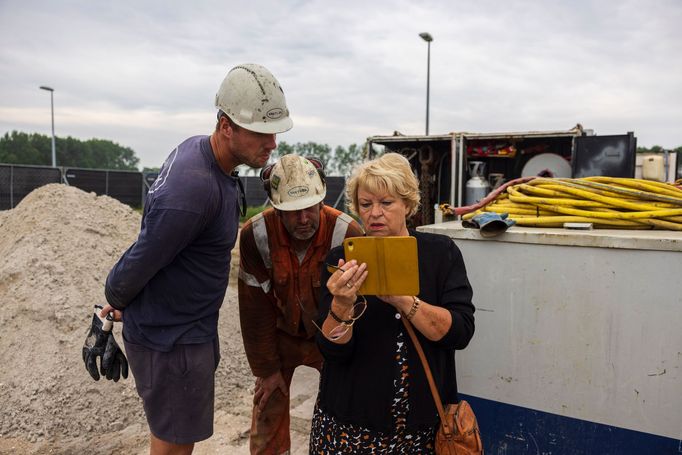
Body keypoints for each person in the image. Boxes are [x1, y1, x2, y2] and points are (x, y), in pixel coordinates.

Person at [90, 63, 293, 455]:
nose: (272, 144)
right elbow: (144, 256)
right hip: (173, 341)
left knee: (173, 437)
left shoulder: (202, 154)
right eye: (261, 133)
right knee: (174, 448)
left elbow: (162, 249)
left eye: (275, 133)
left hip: (184, 330)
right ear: (226, 126)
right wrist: (113, 299)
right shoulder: (192, 192)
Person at [309, 152, 476, 453]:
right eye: (366, 204)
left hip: (422, 431)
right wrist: (342, 306)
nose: (375, 213)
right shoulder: (340, 260)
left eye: (386, 203)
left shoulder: (441, 255)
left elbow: (460, 332)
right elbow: (331, 351)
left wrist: (403, 300)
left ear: (408, 205)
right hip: (349, 429)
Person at [238, 154, 364, 454]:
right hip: (281, 336)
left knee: (345, 414)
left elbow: (359, 310)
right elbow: (254, 309)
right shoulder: (256, 236)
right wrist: (267, 370)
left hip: (331, 335)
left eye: (309, 208)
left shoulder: (347, 233)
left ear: (321, 200)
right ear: (275, 207)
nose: (303, 219)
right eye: (292, 212)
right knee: (268, 407)